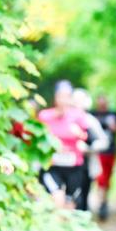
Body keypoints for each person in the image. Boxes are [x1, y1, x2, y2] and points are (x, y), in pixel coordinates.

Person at [37, 81, 90, 210]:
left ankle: (64, 228)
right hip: (52, 166)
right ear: (55, 97)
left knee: (70, 204)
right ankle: (54, 227)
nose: (63, 100)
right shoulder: (45, 116)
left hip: (73, 166)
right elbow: (38, 140)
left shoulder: (78, 116)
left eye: (67, 96)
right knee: (57, 198)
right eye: (61, 96)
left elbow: (88, 138)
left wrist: (80, 135)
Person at [90, 94, 116, 221]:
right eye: (100, 101)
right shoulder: (92, 114)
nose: (102, 104)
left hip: (110, 151)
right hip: (96, 151)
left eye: (104, 101)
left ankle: (103, 202)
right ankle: (100, 202)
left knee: (106, 177)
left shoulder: (114, 114)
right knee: (99, 177)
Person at [72, 88, 110, 212]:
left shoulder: (90, 120)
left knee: (83, 196)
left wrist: (88, 148)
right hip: (65, 166)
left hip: (86, 166)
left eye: (80, 100)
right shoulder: (64, 118)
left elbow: (104, 141)